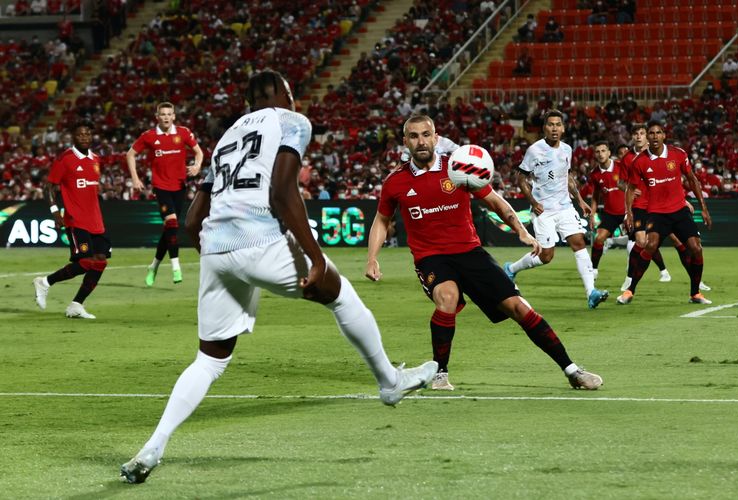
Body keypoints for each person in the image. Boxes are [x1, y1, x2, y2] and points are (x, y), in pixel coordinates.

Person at [120, 71, 437, 484]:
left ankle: (154, 446)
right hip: (261, 238)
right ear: (285, 94)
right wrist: (314, 257)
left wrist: (225, 260)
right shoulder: (291, 121)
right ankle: (390, 382)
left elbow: (193, 219)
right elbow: (282, 191)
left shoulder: (226, 138)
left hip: (216, 248)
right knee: (340, 296)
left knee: (210, 359)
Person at [366, 114, 602, 392]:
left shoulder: (459, 167)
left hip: (470, 252)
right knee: (448, 297)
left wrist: (521, 230)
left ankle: (572, 370)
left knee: (519, 308)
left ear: (435, 137)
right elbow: (382, 220)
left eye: (426, 135)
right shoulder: (395, 182)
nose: (421, 141)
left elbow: (495, 201)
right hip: (431, 257)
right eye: (414, 136)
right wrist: (372, 258)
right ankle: (440, 373)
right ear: (405, 141)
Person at [503, 110, 609, 309]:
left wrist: (579, 200)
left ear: (563, 128)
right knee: (546, 256)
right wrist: (533, 202)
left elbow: (567, 176)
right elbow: (521, 178)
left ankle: (591, 293)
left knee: (578, 242)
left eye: (558, 124)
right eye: (550, 124)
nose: (554, 128)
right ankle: (512, 268)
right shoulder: (535, 150)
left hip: (565, 206)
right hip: (544, 211)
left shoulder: (567, 149)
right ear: (544, 128)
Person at [617, 121, 712, 305]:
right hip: (656, 212)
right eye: (651, 133)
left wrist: (704, 207)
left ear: (664, 135)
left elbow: (692, 179)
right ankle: (630, 290)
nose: (654, 136)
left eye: (658, 132)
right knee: (649, 245)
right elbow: (630, 188)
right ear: (648, 137)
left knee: (695, 248)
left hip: (679, 210)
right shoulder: (639, 161)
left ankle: (695, 293)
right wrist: (629, 213)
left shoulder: (678, 154)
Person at [33, 121, 110, 319]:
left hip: (96, 221)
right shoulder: (65, 159)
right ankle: (45, 282)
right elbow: (49, 187)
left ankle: (76, 305)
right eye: (80, 134)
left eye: (87, 134)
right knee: (84, 262)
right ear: (73, 137)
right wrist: (55, 212)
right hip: (76, 220)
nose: (84, 137)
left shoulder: (95, 159)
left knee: (100, 262)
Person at [126, 102, 204, 286]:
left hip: (179, 187)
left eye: (169, 114)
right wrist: (135, 179)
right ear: (157, 116)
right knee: (173, 223)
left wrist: (196, 165)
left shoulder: (183, 133)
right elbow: (130, 154)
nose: (166, 117)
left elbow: (198, 152)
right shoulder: (149, 136)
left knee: (169, 229)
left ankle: (153, 266)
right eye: (163, 114)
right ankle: (176, 266)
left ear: (174, 116)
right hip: (160, 187)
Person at [588, 141, 626, 278]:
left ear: (609, 153)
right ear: (595, 155)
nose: (600, 154)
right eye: (597, 151)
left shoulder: (622, 167)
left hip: (628, 211)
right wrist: (592, 214)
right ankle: (594, 270)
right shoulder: (595, 174)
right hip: (610, 213)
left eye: (603, 151)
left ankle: (662, 271)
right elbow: (595, 196)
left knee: (640, 240)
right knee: (599, 239)